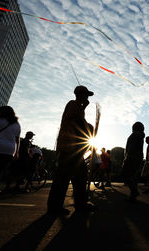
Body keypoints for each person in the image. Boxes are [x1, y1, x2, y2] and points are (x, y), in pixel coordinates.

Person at [47, 85, 95, 215]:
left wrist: (84, 107)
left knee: (80, 176)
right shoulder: (73, 104)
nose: (87, 98)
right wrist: (90, 130)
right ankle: (55, 207)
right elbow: (79, 122)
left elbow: (80, 119)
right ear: (80, 94)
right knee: (63, 178)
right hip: (69, 147)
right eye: (85, 95)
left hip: (74, 148)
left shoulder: (78, 107)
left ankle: (80, 204)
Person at [122, 122, 145, 202]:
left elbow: (130, 149)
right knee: (133, 177)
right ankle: (132, 197)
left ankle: (134, 191)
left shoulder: (134, 135)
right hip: (138, 159)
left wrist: (126, 159)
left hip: (132, 158)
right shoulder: (141, 136)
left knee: (126, 175)